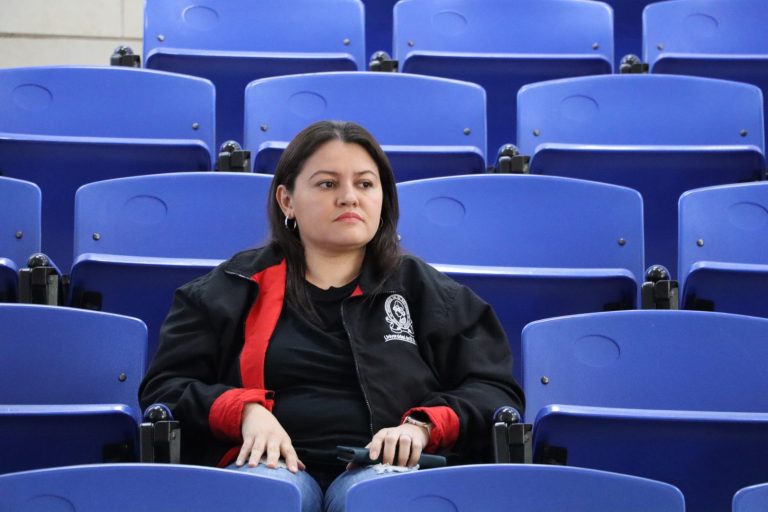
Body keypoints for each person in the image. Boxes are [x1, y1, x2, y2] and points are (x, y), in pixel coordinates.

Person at [139, 120, 524, 512]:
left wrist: (421, 427)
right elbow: (165, 389)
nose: (349, 198)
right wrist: (244, 412)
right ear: (287, 201)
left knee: (378, 498)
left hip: (382, 468)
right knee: (271, 495)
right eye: (327, 184)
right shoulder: (231, 288)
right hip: (266, 465)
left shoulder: (430, 293)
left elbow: (493, 391)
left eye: (365, 184)